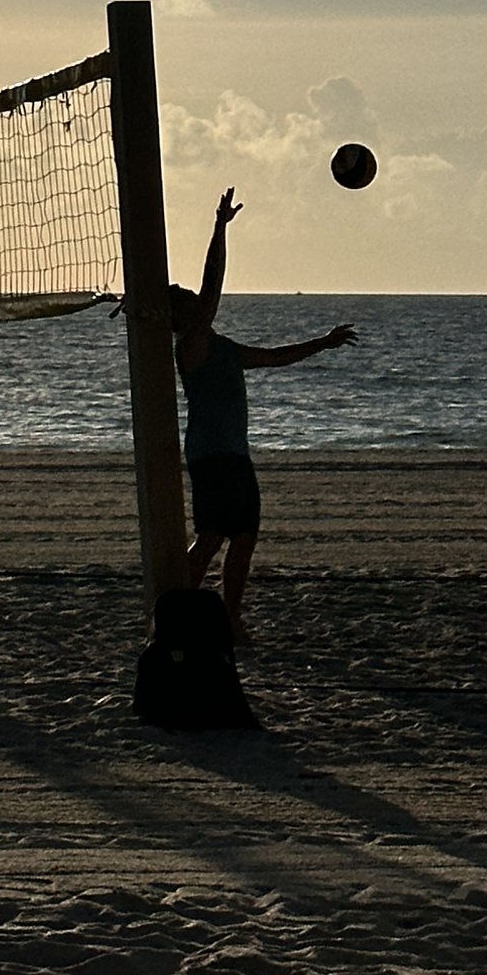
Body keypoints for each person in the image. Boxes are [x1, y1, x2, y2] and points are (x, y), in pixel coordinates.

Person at [168, 189, 355, 638]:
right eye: (191, 301)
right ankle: (176, 615)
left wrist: (322, 343)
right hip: (211, 455)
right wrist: (219, 228)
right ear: (185, 315)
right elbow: (213, 286)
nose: (200, 301)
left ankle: (230, 618)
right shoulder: (191, 345)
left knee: (244, 538)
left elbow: (273, 357)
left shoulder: (223, 348)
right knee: (211, 536)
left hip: (234, 454)